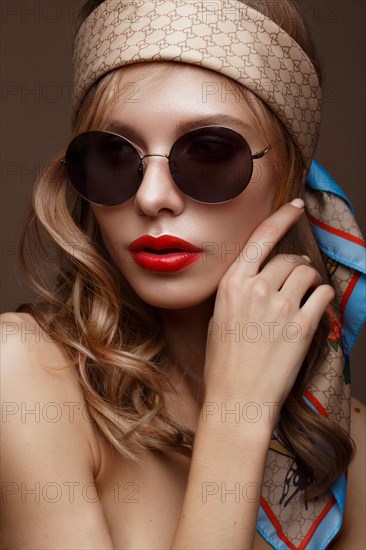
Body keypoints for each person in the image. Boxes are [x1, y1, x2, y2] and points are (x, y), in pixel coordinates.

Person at [1, 0, 365, 548]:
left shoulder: (344, 435)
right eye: (114, 154)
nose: (152, 198)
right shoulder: (24, 375)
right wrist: (236, 417)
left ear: (290, 176)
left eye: (210, 151)